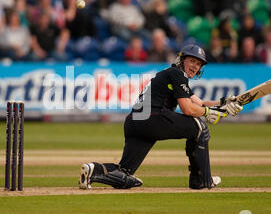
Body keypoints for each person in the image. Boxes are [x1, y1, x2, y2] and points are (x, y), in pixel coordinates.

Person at [78, 44, 243, 190]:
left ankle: (93, 170)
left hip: (135, 122)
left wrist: (223, 104)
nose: (195, 66)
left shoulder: (171, 75)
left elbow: (199, 104)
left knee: (124, 174)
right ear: (181, 60)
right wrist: (209, 113)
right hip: (153, 118)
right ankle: (201, 180)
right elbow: (188, 109)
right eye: (192, 61)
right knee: (200, 128)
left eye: (198, 64)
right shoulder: (177, 74)